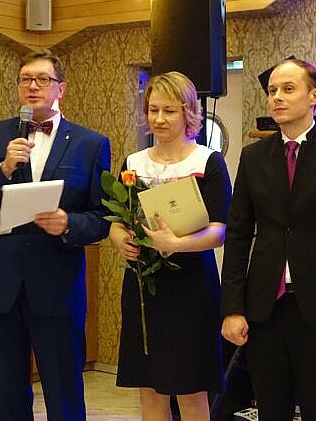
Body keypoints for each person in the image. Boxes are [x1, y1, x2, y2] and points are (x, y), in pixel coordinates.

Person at [0, 49, 111, 421]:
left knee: (64, 395)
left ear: (61, 88)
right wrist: (2, 169)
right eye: (25, 79)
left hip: (57, 285)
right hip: (1, 286)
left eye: (43, 79)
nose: (33, 86)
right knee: (6, 396)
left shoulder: (90, 144)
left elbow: (103, 218)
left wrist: (69, 224)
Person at [220, 58, 316, 421]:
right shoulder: (253, 158)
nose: (277, 97)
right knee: (270, 410)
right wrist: (232, 308)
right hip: (265, 310)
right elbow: (238, 235)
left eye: (288, 89)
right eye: (272, 90)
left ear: (314, 96)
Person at [109, 71, 231, 421]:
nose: (159, 119)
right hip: (143, 287)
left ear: (189, 112)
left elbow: (220, 231)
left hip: (191, 287)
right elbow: (116, 222)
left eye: (169, 111)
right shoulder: (134, 163)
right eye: (153, 110)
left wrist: (177, 243)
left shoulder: (208, 162)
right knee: (149, 390)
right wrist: (122, 241)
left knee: (191, 390)